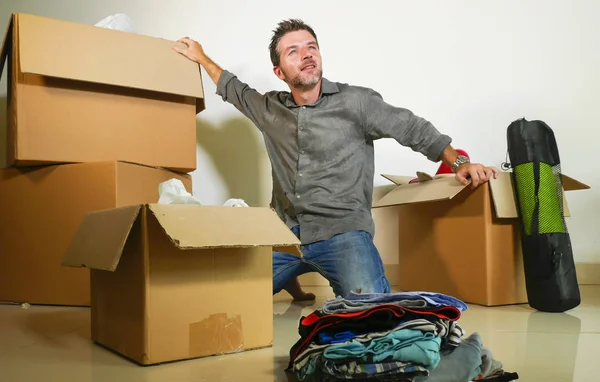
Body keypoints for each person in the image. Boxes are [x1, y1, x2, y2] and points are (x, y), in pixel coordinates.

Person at [173, 19, 498, 302]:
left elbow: (410, 127)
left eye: (311, 47)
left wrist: (458, 163)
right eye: (293, 51)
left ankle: (298, 277)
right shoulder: (270, 110)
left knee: (372, 311)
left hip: (341, 233)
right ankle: (291, 278)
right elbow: (235, 90)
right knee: (221, 298)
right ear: (279, 71)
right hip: (285, 236)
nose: (307, 54)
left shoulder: (357, 102)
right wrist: (200, 56)